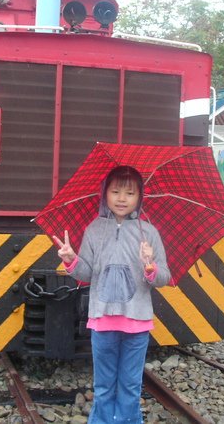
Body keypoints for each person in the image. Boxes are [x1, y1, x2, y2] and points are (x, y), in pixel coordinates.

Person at [53, 165, 171, 423]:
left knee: (130, 386)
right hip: (102, 320)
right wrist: (71, 259)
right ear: (104, 193)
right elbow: (85, 274)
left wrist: (150, 266)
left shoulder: (149, 233)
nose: (121, 198)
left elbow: (164, 278)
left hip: (137, 322)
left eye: (129, 193)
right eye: (115, 191)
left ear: (140, 197)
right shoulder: (94, 229)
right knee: (103, 386)